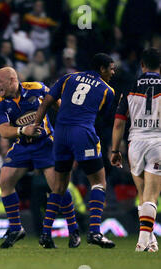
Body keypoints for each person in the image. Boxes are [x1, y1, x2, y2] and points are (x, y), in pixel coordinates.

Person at [28, 53, 117, 249]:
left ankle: (45, 234)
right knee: (99, 183)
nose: (113, 72)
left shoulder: (68, 78)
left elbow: (46, 102)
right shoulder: (107, 90)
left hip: (60, 134)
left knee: (59, 187)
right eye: (111, 68)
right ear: (101, 69)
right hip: (83, 133)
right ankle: (94, 231)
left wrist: (35, 125)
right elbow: (101, 118)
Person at [0, 66, 81, 249]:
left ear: (11, 80)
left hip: (46, 144)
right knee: (5, 182)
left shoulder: (37, 88)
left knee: (58, 187)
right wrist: (22, 130)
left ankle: (73, 230)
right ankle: (16, 228)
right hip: (22, 146)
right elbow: (3, 131)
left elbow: (58, 104)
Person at [111, 48, 160, 252]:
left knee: (142, 194)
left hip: (135, 142)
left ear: (142, 65)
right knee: (151, 195)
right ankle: (141, 242)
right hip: (158, 140)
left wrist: (114, 150)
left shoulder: (131, 86)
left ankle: (151, 242)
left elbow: (119, 122)